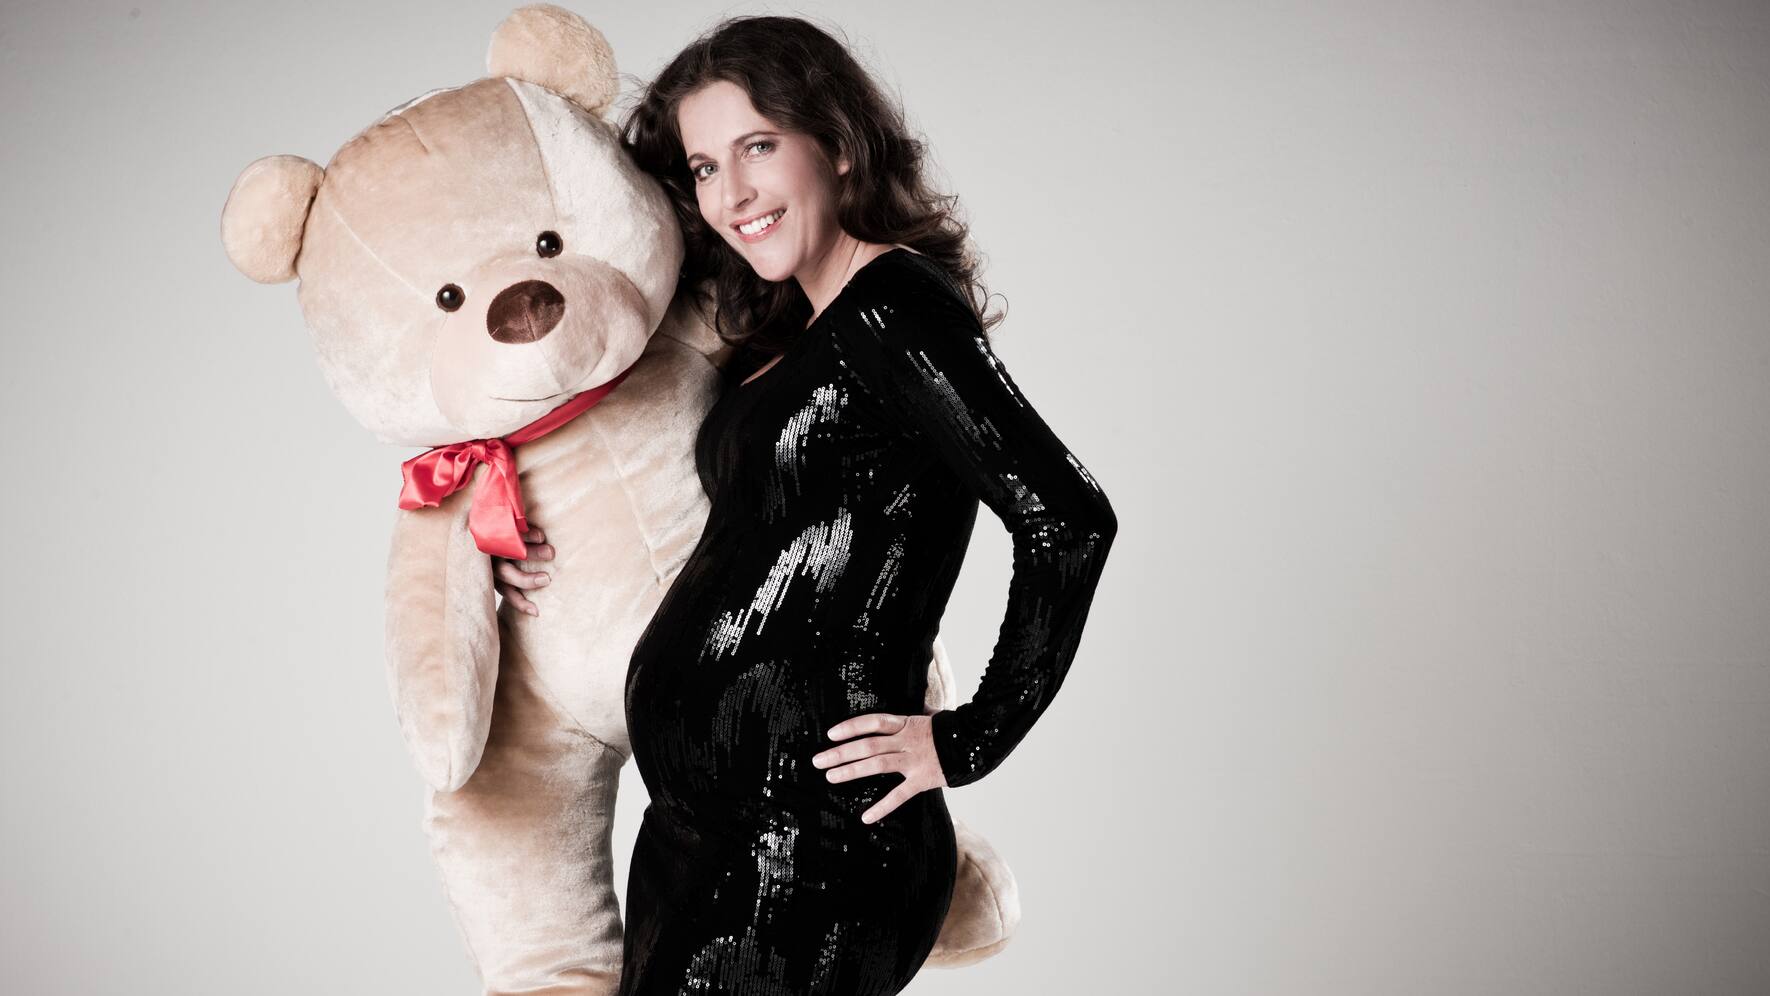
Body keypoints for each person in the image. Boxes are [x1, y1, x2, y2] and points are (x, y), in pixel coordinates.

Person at [496, 15, 1117, 995]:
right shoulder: (792, 329)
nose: (731, 194)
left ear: (838, 142)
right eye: (705, 167)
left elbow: (1068, 518)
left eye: (758, 147)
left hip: (809, 848)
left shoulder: (894, 306)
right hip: (699, 831)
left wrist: (968, 738)